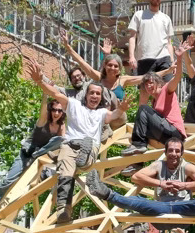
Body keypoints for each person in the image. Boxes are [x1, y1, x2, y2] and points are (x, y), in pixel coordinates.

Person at [24, 58, 126, 223]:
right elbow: (54, 93)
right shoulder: (73, 104)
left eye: (98, 94)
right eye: (91, 93)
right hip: (70, 146)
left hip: (89, 145)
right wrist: (39, 81)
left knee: (83, 158)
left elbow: (114, 115)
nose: (94, 96)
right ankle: (63, 208)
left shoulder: (101, 113)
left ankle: (84, 159)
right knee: (65, 170)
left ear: (101, 98)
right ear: (86, 95)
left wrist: (121, 108)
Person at [83, 138, 195, 217]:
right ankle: (104, 192)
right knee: (139, 202)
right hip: (160, 208)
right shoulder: (158, 165)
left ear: (181, 153)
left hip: (185, 208)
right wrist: (162, 183)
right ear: (165, 152)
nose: (174, 154)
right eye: (171, 150)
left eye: (177, 151)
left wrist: (184, 186)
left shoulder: (187, 167)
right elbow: (136, 177)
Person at [0, 97, 66, 209]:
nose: (56, 113)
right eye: (54, 110)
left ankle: (46, 163)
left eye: (59, 111)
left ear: (63, 113)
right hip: (27, 155)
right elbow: (42, 108)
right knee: (9, 181)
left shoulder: (61, 126)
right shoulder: (44, 120)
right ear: (50, 110)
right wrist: (45, 92)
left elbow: (61, 144)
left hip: (40, 157)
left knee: (61, 140)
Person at [124, 38, 195, 156]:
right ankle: (136, 164)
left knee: (143, 109)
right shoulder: (154, 102)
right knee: (141, 129)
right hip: (164, 134)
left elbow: (177, 78)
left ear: (158, 82)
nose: (149, 86)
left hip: (175, 133)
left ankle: (138, 145)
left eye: (151, 82)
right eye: (146, 85)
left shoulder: (166, 89)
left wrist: (179, 57)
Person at [127, 0, 175, 76]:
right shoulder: (139, 15)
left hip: (164, 58)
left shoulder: (166, 18)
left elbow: (169, 43)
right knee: (146, 89)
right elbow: (132, 37)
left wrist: (172, 61)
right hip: (145, 58)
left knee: (166, 88)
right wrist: (132, 56)